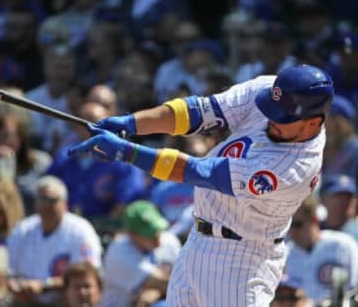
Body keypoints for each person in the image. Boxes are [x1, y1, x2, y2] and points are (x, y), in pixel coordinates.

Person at [68, 64, 334, 306]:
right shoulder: (273, 91)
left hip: (240, 263)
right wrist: (132, 123)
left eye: (284, 118)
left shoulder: (293, 167)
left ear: (313, 122)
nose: (273, 119)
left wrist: (126, 152)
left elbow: (197, 171)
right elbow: (199, 112)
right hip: (198, 242)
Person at [6, 175, 102, 307]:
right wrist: (15, 286)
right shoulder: (23, 229)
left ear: (65, 204)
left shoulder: (80, 230)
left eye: (51, 200)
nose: (45, 205)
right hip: (24, 301)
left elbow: (86, 278)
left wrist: (44, 285)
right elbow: (8, 270)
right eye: (41, 200)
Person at [100, 200, 181, 307]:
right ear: (132, 234)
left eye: (157, 230)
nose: (157, 239)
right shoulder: (118, 253)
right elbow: (162, 282)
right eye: (149, 234)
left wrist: (157, 292)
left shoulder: (169, 240)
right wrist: (159, 288)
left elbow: (182, 278)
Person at [286, 196, 358, 303]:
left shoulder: (343, 245)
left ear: (314, 220)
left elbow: (354, 288)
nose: (291, 231)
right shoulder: (284, 255)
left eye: (297, 224)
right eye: (288, 226)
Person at [319, 174, 358, 241]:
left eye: (348, 198)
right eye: (338, 197)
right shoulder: (312, 229)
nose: (344, 202)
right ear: (323, 199)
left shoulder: (355, 232)